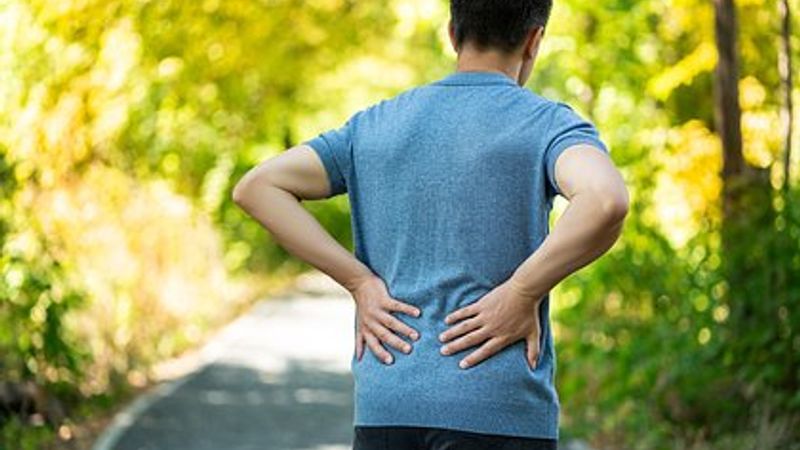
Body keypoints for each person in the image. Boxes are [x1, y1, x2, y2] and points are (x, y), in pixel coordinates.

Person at [232, 0, 629, 448]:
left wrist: (358, 282)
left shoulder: (375, 125)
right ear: (534, 40)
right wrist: (522, 291)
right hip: (498, 408)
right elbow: (604, 199)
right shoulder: (547, 124)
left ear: (452, 33)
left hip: (387, 406)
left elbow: (258, 188)